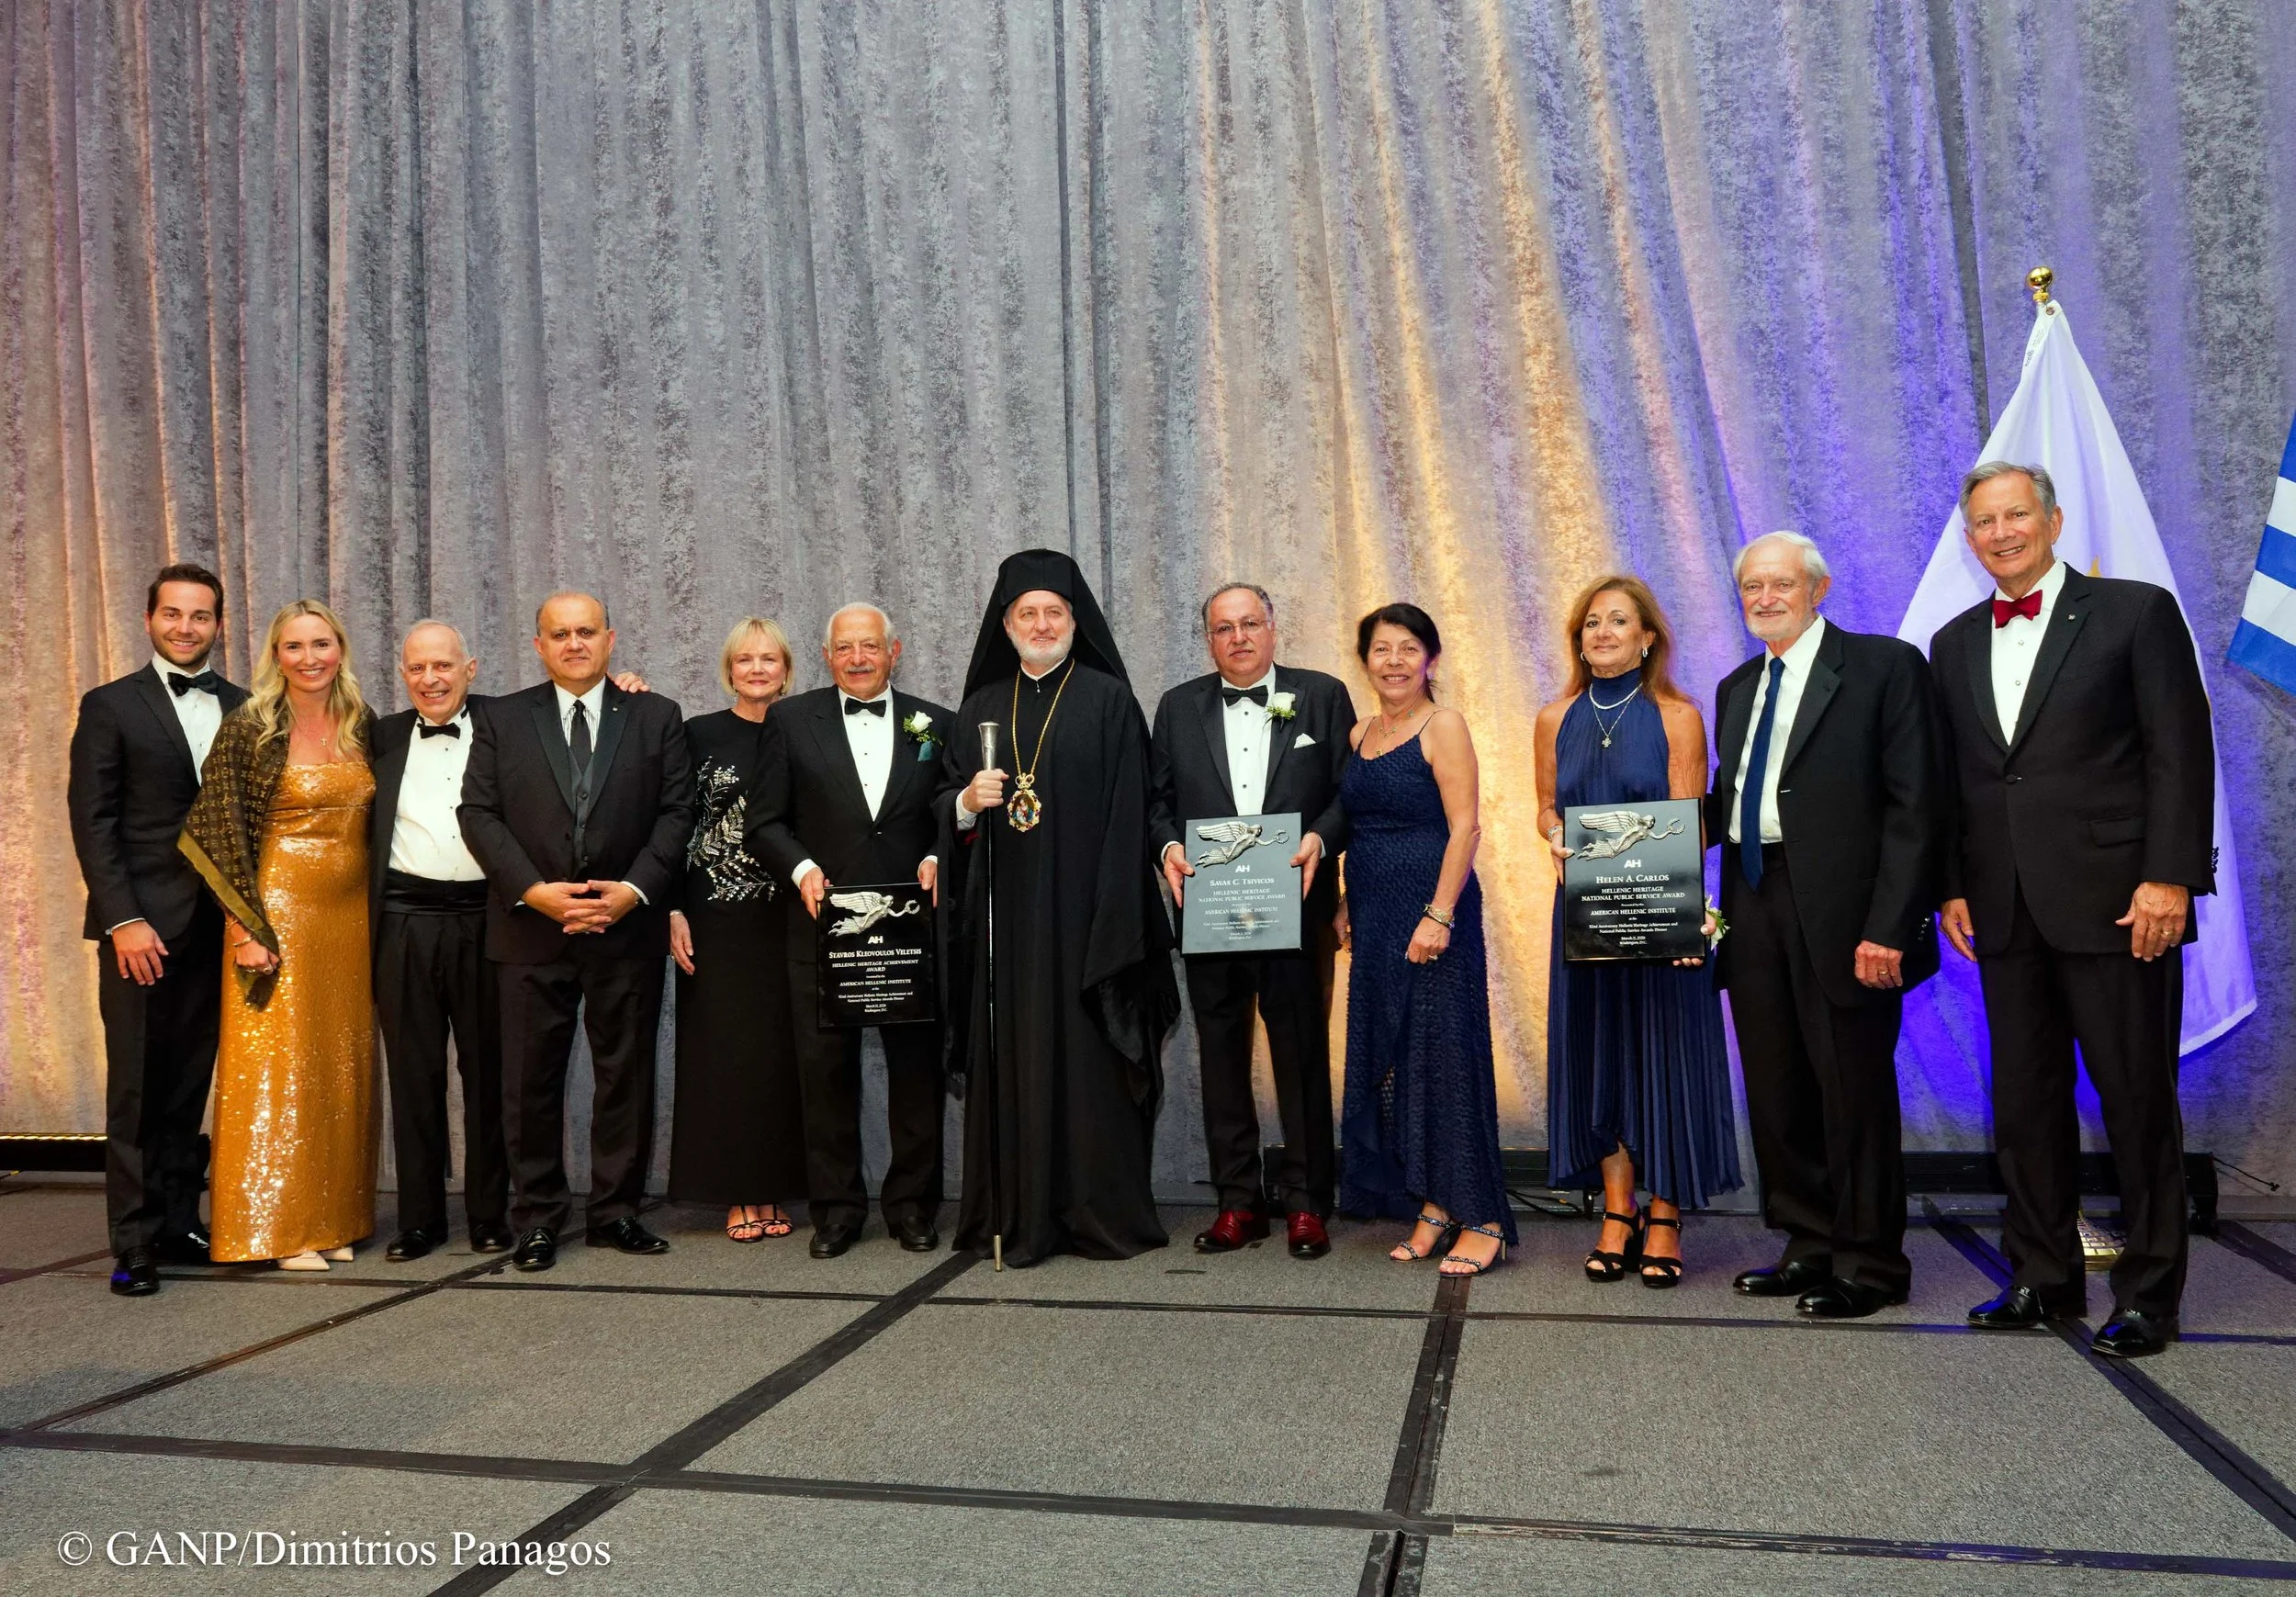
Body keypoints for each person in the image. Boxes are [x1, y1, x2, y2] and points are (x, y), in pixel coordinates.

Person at [1931, 463, 2213, 1358]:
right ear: (1968, 538)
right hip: (2003, 913)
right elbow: (1952, 784)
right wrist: (1949, 885)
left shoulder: (2134, 612)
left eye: (2017, 513)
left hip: (2119, 905)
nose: (2002, 532)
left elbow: (2179, 748)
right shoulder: (1949, 643)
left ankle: (2149, 1294)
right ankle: (2040, 1276)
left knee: (2136, 1102)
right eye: (1984, 521)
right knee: (2023, 1106)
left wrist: (2168, 876)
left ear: (2052, 519)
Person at [1708, 532, 1941, 1319]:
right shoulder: (1738, 687)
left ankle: (1871, 1263)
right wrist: (1615, 838)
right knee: (1777, 1088)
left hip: (1851, 916)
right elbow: (1727, 801)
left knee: (1854, 1091)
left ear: (1820, 587)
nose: (1765, 598)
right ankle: (1806, 1241)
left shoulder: (1884, 666)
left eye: (1781, 584)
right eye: (1752, 588)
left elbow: (1917, 809)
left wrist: (1892, 924)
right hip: (1753, 902)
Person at [938, 549, 1179, 1265]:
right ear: (1005, 624)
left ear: (1075, 621)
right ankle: (1017, 1215)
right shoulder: (980, 707)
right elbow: (943, 805)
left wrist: (1112, 920)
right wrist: (962, 804)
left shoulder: (1108, 700)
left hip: (1089, 926)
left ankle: (1095, 1214)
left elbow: (1133, 811)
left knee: (1089, 1067)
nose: (1041, 624)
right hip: (1004, 930)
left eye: (1054, 612)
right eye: (1027, 613)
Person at [457, 591, 693, 1273]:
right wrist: (533, 892)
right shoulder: (501, 717)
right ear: (538, 645)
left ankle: (616, 1211)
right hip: (531, 930)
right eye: (559, 633)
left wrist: (634, 891)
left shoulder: (656, 715)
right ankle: (535, 1218)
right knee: (529, 1083)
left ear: (610, 638)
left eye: (586, 630)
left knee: (625, 1076)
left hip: (627, 927)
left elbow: (678, 812)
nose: (574, 643)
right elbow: (478, 812)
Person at [1535, 577, 1739, 1286]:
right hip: (1585, 916)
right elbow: (1545, 809)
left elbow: (1689, 821)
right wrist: (1554, 834)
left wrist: (1693, 922)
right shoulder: (1553, 717)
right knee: (1604, 1063)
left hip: (1658, 913)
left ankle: (1665, 1212)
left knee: (1664, 1063)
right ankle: (1616, 1208)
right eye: (1592, 622)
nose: (1602, 632)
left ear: (1648, 636)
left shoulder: (1678, 716)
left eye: (1618, 621)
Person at [1150, 583, 1353, 1260]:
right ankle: (1238, 1201)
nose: (1237, 637)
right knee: (1222, 1056)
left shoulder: (1322, 694)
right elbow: (1157, 803)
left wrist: (1321, 840)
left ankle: (1305, 1202)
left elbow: (1350, 793)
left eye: (1249, 624)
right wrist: (1168, 847)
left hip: (1294, 907)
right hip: (1209, 909)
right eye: (1222, 628)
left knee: (1299, 1055)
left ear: (1273, 627)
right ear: (1207, 638)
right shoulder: (1178, 707)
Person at [178, 600, 379, 1269]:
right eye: (294, 646)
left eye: (321, 643)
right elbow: (219, 828)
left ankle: (333, 1217)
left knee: (338, 1066)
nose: (310, 657)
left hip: (350, 920)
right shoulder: (252, 728)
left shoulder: (363, 723)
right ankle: (278, 1225)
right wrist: (244, 928)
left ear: (340, 648)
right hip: (278, 913)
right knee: (280, 1068)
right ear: (276, 655)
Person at [748, 604, 952, 1258]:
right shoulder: (789, 719)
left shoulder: (936, 722)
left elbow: (952, 810)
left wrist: (940, 853)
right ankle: (836, 1210)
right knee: (826, 1078)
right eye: (845, 647)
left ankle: (913, 1206)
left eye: (870, 646)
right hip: (820, 928)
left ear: (896, 651)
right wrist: (803, 867)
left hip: (908, 931)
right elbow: (764, 822)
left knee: (916, 1078)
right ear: (827, 655)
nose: (858, 657)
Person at [70, 564, 250, 1296]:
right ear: (149, 619)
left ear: (218, 624)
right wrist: (123, 918)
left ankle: (179, 1220)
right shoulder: (110, 704)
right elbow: (94, 820)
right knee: (138, 1089)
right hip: (140, 929)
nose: (185, 627)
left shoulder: (244, 705)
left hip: (217, 930)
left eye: (200, 616)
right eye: (172, 614)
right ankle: (135, 1243)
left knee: (188, 1085)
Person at [1337, 603, 1514, 1276]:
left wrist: (1439, 914)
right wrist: (1349, 900)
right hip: (1378, 916)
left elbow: (1465, 827)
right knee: (1403, 1060)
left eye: (1409, 648)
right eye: (1382, 649)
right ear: (1365, 659)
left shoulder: (1444, 726)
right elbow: (1362, 828)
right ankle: (1437, 1206)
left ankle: (1485, 1216)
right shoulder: (1359, 733)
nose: (1394, 661)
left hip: (1434, 916)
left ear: (1430, 658)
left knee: (1447, 1058)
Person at [366, 622, 512, 1262]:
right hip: (404, 919)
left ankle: (489, 1213)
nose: (430, 678)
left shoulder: (510, 724)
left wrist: (626, 688)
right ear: (403, 673)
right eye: (417, 667)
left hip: (488, 918)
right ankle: (419, 1218)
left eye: (443, 666)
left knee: (489, 1072)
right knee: (412, 1073)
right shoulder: (379, 736)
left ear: (470, 668)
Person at [668, 618, 807, 1245]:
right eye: (745, 659)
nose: (757, 668)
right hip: (714, 920)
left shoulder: (804, 729)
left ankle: (772, 1187)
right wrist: (671, 907)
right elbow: (670, 823)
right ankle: (734, 1194)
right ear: (729, 668)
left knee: (780, 1057)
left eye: (768, 658)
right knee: (721, 1056)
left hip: (787, 919)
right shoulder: (697, 734)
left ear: (787, 668)